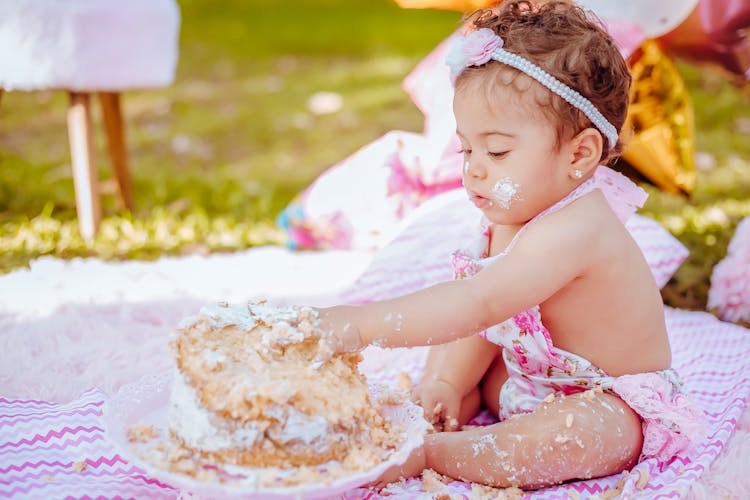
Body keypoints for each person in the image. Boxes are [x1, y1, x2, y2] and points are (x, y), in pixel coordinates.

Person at [314, 1, 704, 490]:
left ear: (579, 154)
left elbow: (480, 303)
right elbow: (485, 320)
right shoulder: (511, 211)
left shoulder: (579, 227)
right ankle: (446, 398)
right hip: (528, 380)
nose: (474, 168)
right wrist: (447, 382)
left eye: (496, 151)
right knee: (470, 365)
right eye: (467, 148)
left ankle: (435, 453)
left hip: (605, 395)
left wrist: (361, 323)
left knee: (588, 432)